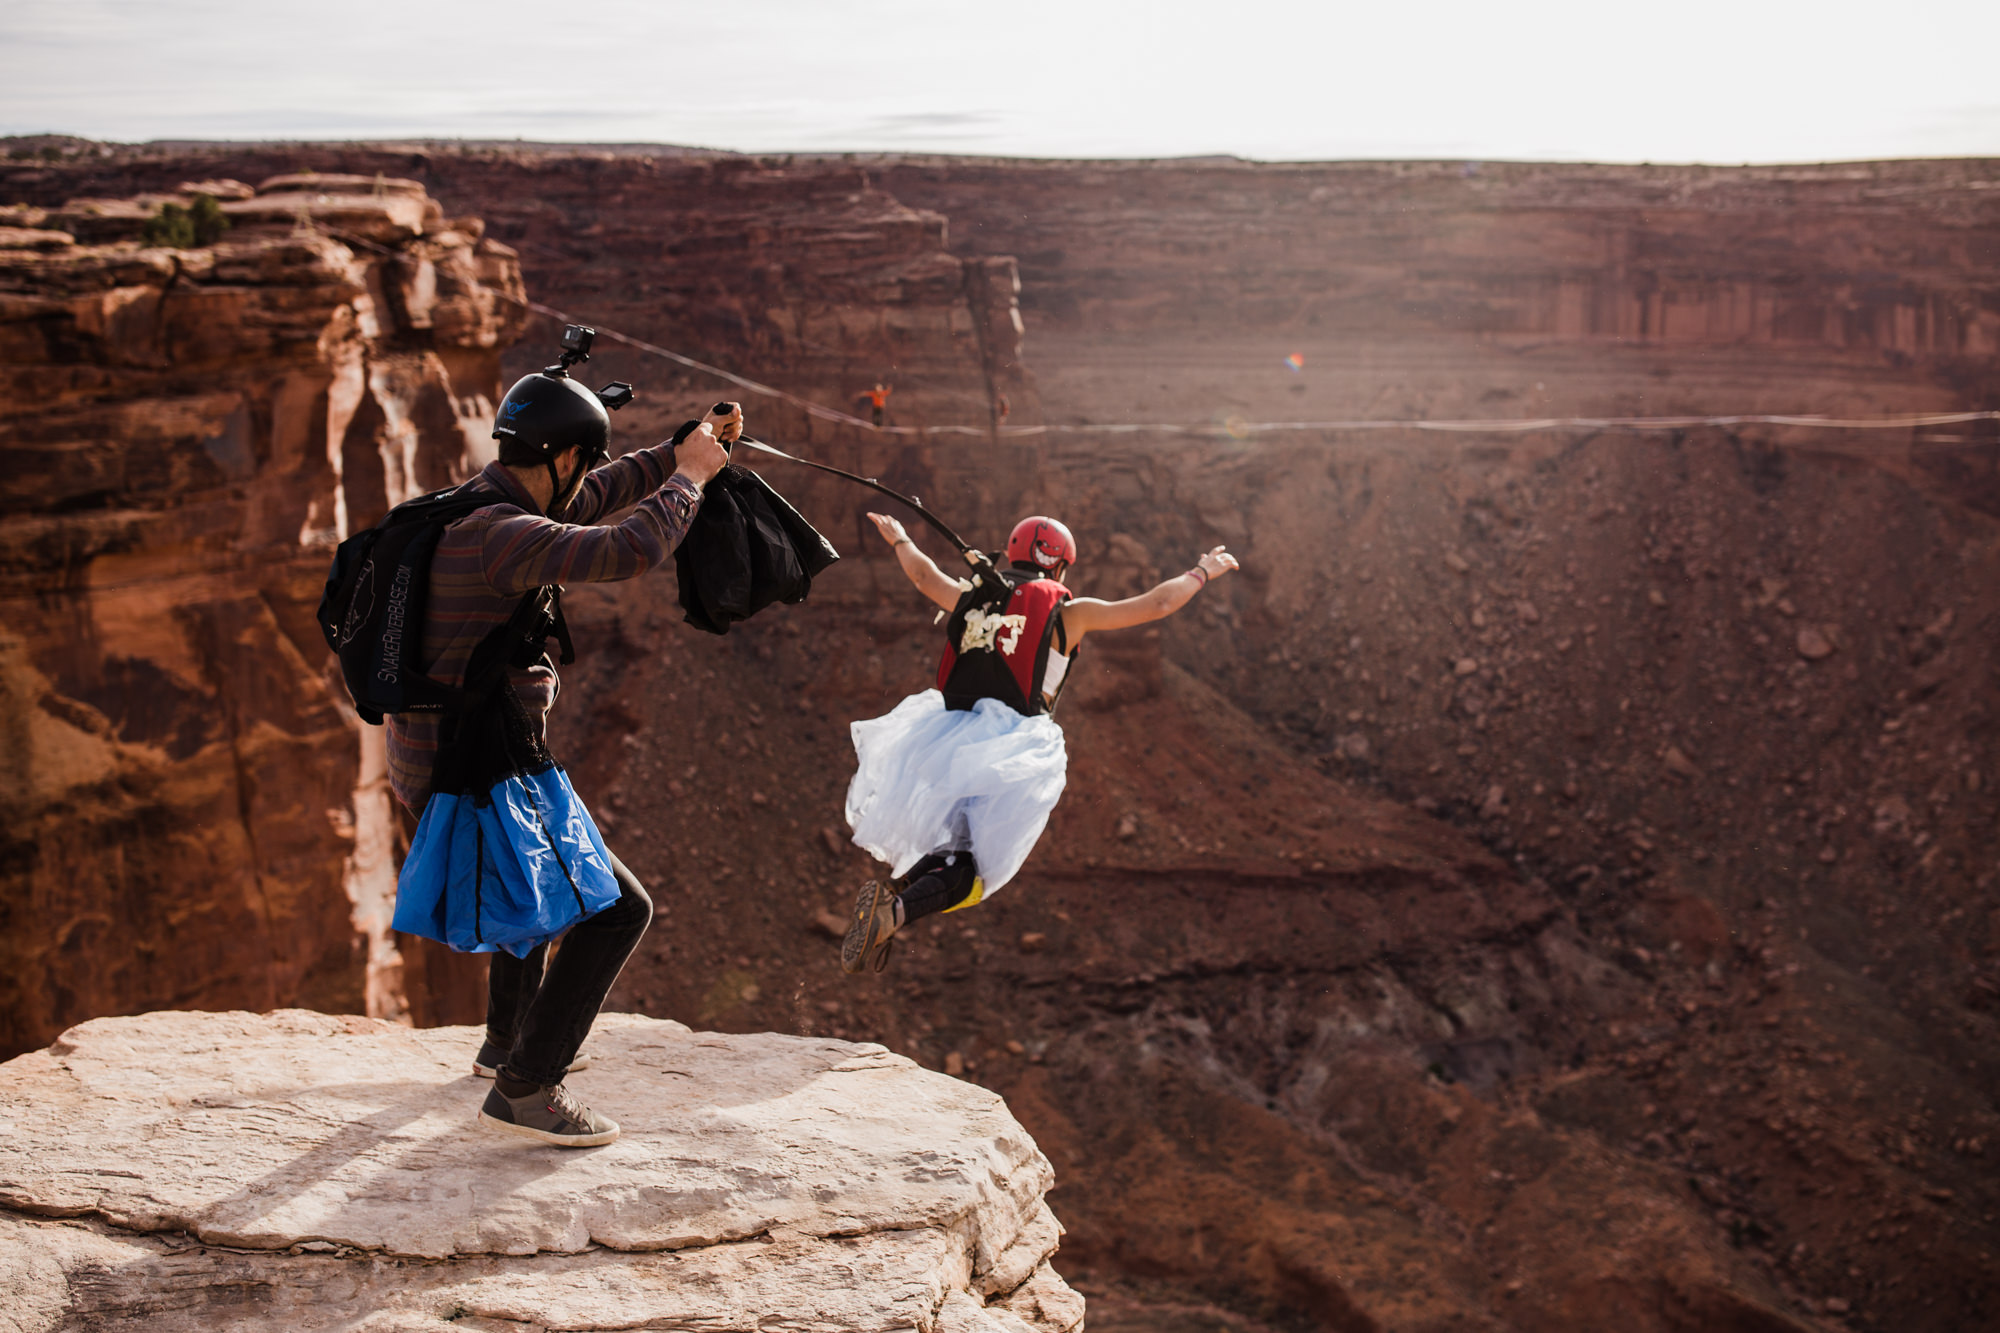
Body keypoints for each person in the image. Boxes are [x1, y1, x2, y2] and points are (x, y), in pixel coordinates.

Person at [385, 371, 735, 1146]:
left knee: (535, 881)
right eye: (585, 457)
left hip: (451, 752)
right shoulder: (501, 535)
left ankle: (504, 1042)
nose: (584, 475)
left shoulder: (475, 505)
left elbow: (591, 496)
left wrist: (672, 448)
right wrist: (689, 480)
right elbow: (624, 546)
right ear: (564, 452)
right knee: (618, 910)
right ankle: (527, 1088)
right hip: (476, 769)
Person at [840, 513, 1238, 972]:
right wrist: (1202, 571)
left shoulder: (974, 597)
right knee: (979, 870)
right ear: (1060, 565)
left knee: (956, 845)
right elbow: (1158, 604)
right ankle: (895, 911)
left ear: (1013, 553)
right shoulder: (1069, 612)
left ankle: (898, 896)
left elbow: (924, 575)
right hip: (1012, 743)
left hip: (947, 736)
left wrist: (901, 540)